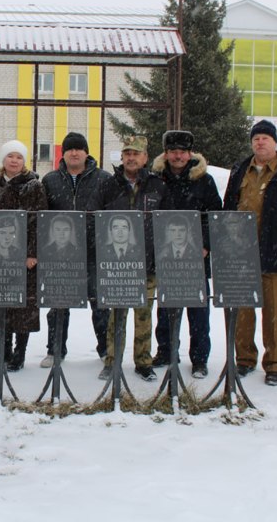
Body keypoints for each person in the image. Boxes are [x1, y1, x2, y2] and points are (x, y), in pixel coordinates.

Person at [223, 119, 277, 386]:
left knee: (275, 313)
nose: (260, 142)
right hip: (241, 255)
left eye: (265, 138)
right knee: (242, 312)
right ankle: (245, 359)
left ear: (274, 142)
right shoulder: (240, 169)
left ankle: (274, 364)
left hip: (276, 252)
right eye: (256, 138)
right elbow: (228, 208)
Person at [90, 135, 170, 382]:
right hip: (117, 262)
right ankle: (112, 360)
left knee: (144, 315)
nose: (131, 158)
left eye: (136, 153)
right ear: (122, 157)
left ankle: (143, 362)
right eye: (127, 153)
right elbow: (95, 218)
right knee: (117, 315)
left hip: (148, 261)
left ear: (145, 157)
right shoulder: (108, 185)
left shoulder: (158, 186)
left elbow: (167, 222)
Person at [150, 130, 222, 378]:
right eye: (173, 151)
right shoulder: (156, 178)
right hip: (166, 254)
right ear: (166, 153)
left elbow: (215, 215)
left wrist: (206, 245)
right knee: (166, 306)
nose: (178, 156)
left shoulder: (204, 180)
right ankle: (166, 351)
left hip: (196, 256)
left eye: (182, 151)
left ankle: (200, 359)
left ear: (190, 153)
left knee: (198, 309)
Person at [40, 131, 112, 368]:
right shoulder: (50, 180)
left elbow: (111, 215)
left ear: (86, 152)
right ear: (64, 152)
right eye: (70, 148)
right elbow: (43, 217)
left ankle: (106, 349)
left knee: (100, 303)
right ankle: (55, 350)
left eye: (79, 148)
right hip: (61, 253)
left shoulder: (103, 179)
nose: (74, 153)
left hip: (93, 251)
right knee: (58, 303)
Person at [0, 140, 46, 371]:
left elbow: (38, 220)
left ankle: (19, 353)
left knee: (24, 308)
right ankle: (4, 351)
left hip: (24, 258)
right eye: (10, 156)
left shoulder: (33, 186)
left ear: (24, 161)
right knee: (2, 303)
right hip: (0, 256)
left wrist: (31, 252)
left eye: (19, 157)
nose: (14, 160)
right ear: (3, 159)